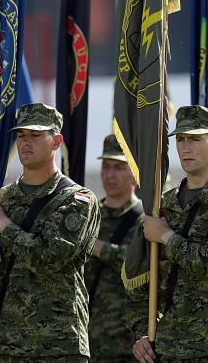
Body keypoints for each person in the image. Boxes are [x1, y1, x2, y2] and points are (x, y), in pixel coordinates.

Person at [126, 105, 208, 363]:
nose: (186, 148)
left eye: (195, 139)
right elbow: (140, 276)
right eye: (181, 139)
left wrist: (166, 236)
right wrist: (142, 331)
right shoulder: (163, 203)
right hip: (170, 348)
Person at [0, 103, 100, 362]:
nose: (26, 143)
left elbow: (48, 258)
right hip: (7, 343)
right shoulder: (3, 198)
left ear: (56, 141)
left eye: (36, 135)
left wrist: (5, 226)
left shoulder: (77, 199)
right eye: (21, 135)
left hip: (59, 343)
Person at [84, 134, 143, 362]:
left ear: (135, 174)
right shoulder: (88, 216)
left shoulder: (146, 220)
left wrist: (95, 246)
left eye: (119, 167)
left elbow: (138, 262)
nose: (109, 175)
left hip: (126, 344)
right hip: (88, 340)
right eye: (106, 166)